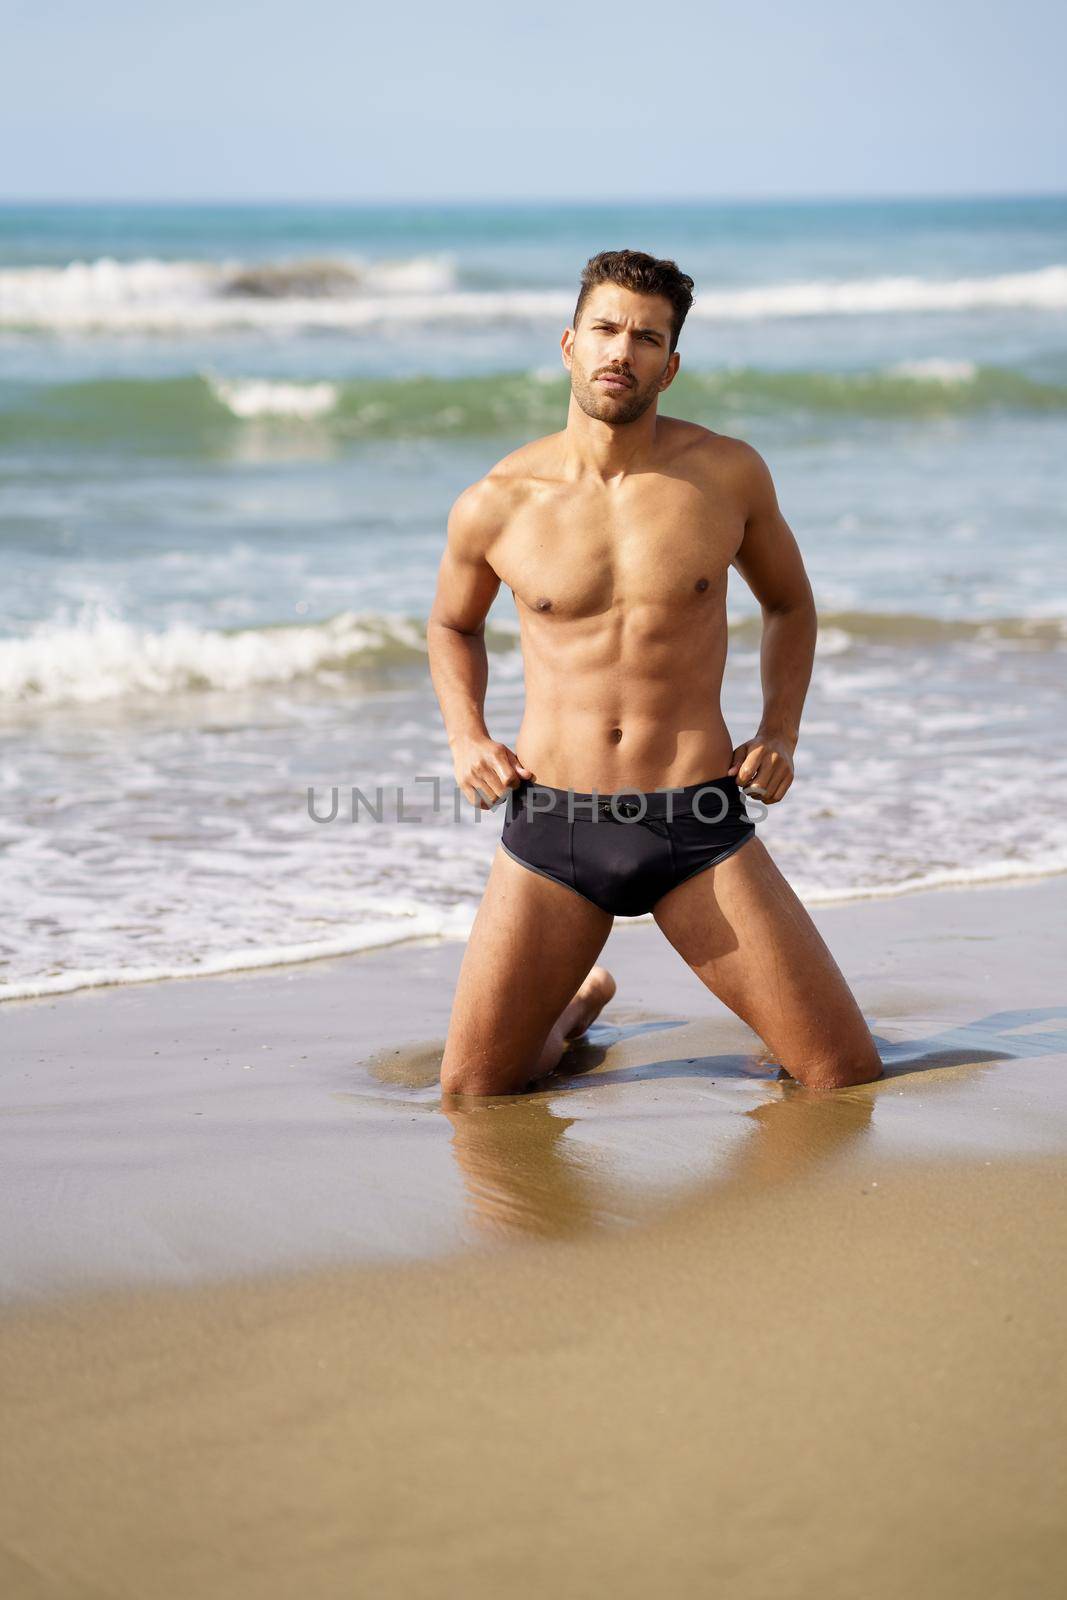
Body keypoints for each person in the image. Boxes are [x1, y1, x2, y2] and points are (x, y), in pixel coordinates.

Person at [427, 249, 883, 1097]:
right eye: (604, 329)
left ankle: (589, 1009)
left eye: (645, 338)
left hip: (696, 820)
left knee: (841, 1076)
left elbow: (790, 605)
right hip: (553, 827)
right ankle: (571, 1007)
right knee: (472, 1096)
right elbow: (453, 625)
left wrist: (780, 729)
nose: (620, 351)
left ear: (668, 366)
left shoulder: (724, 475)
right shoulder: (497, 500)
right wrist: (465, 737)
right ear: (567, 343)